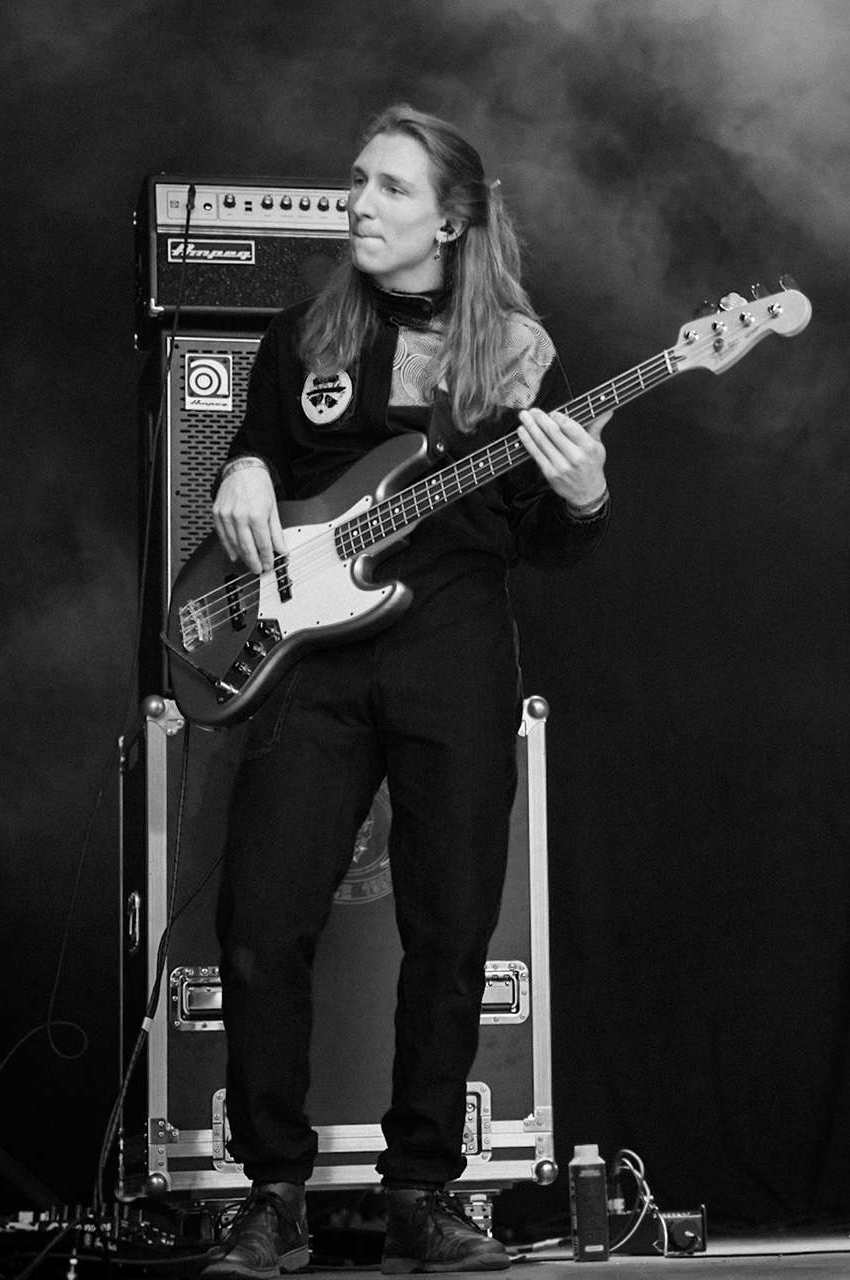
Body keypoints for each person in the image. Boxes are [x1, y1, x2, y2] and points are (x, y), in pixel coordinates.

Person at [201, 104, 611, 1278]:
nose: (360, 204)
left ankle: (423, 1194)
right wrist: (244, 461)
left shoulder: (519, 352)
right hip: (314, 659)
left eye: (389, 187)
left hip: (453, 645)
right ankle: (271, 1195)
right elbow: (265, 453)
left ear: (453, 219)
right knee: (261, 920)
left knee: (450, 924)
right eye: (357, 181)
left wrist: (583, 496)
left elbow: (544, 539)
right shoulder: (305, 333)